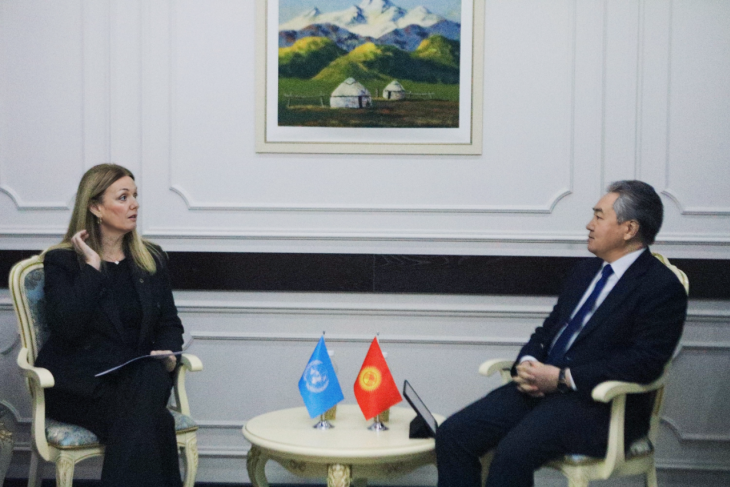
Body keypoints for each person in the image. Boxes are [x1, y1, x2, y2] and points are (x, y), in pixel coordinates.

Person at [435, 180, 688, 487]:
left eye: (598, 216)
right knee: (453, 434)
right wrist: (528, 363)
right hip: (539, 390)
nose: (589, 225)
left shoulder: (661, 286)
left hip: (598, 406)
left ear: (629, 229)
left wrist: (562, 378)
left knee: (512, 452)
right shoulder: (585, 272)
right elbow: (549, 330)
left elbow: (644, 362)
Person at [35, 163, 185, 487]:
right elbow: (66, 327)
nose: (135, 204)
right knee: (156, 420)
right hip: (81, 387)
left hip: (134, 382)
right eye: (123, 197)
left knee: (147, 383)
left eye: (135, 196)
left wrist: (170, 355)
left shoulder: (151, 258)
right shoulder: (62, 261)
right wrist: (92, 267)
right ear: (95, 207)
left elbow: (169, 322)